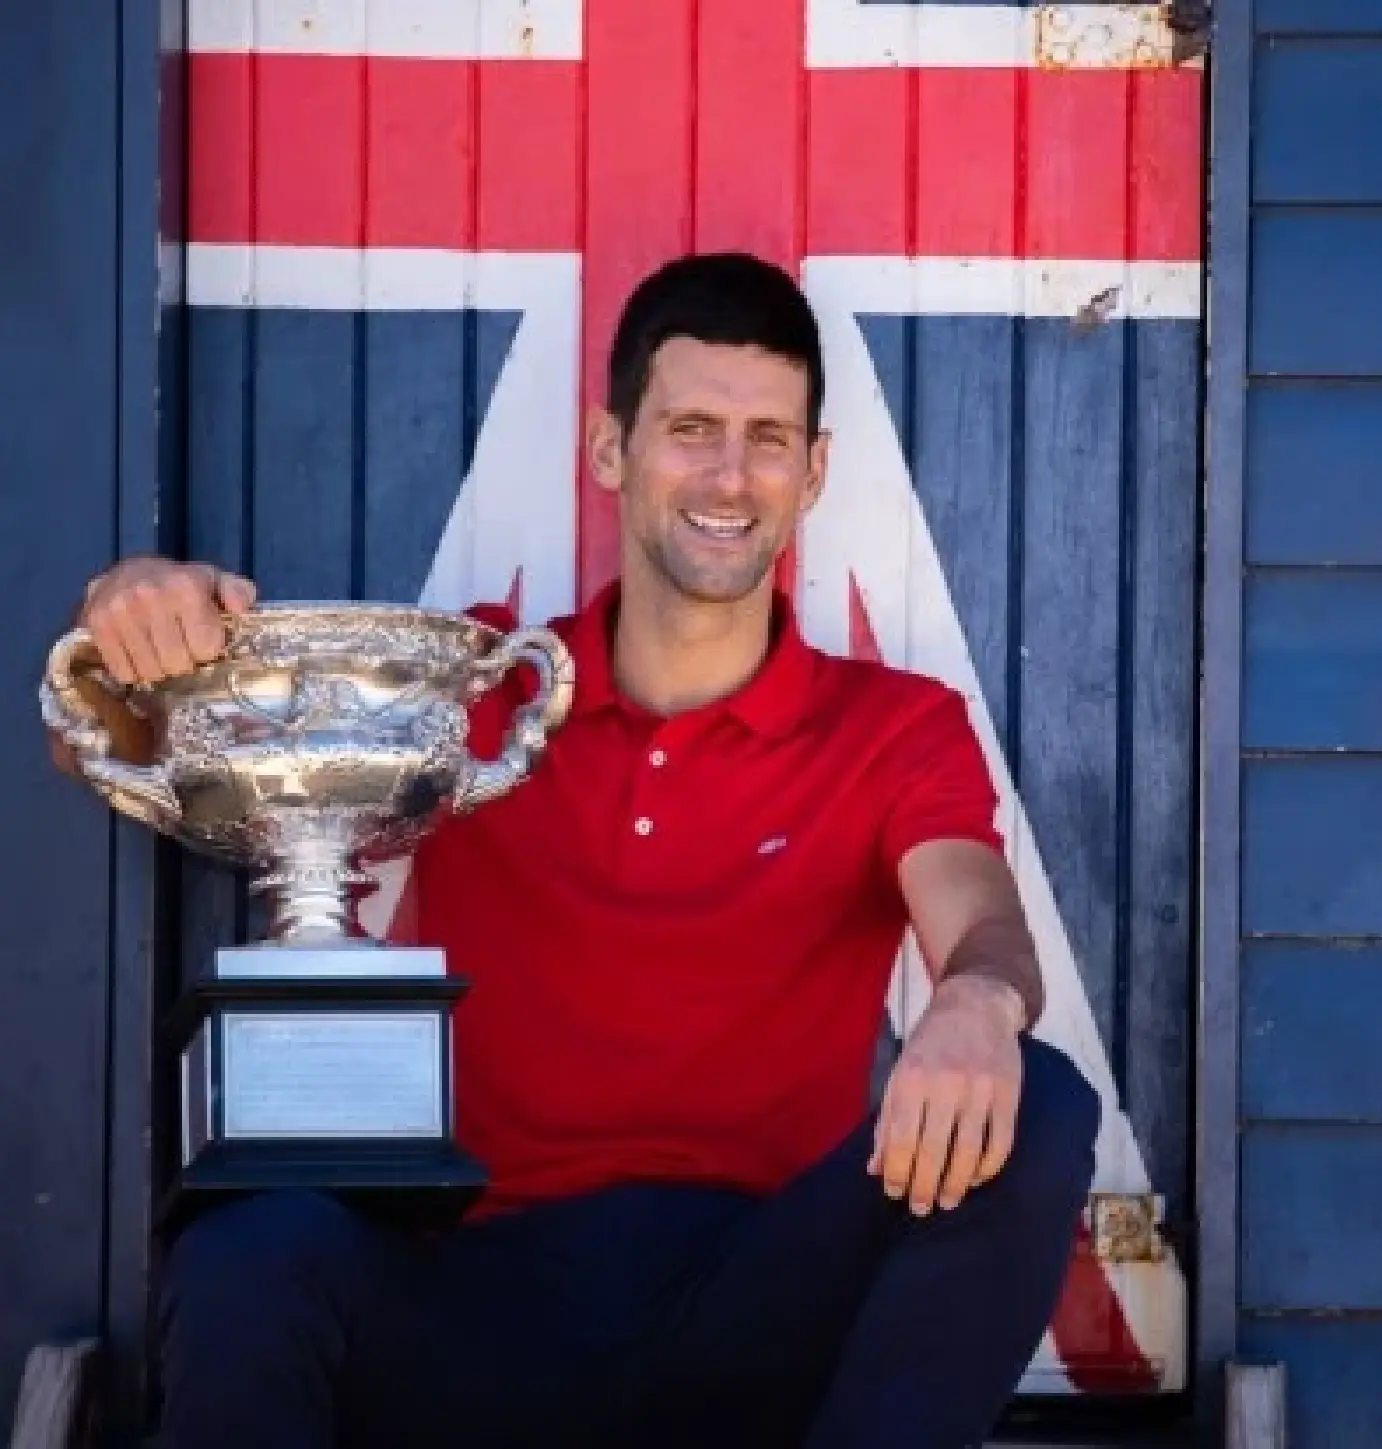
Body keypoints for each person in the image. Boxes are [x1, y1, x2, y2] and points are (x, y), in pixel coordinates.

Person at [48, 251, 1102, 1449]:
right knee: (251, 1248)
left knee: (1039, 1106)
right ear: (610, 450)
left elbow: (977, 914)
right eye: (690, 428)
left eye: (766, 438)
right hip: (479, 1303)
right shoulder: (478, 687)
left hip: (753, 1309)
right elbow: (115, 751)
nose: (728, 474)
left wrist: (975, 997)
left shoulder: (892, 725)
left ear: (812, 472)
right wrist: (134, 626)